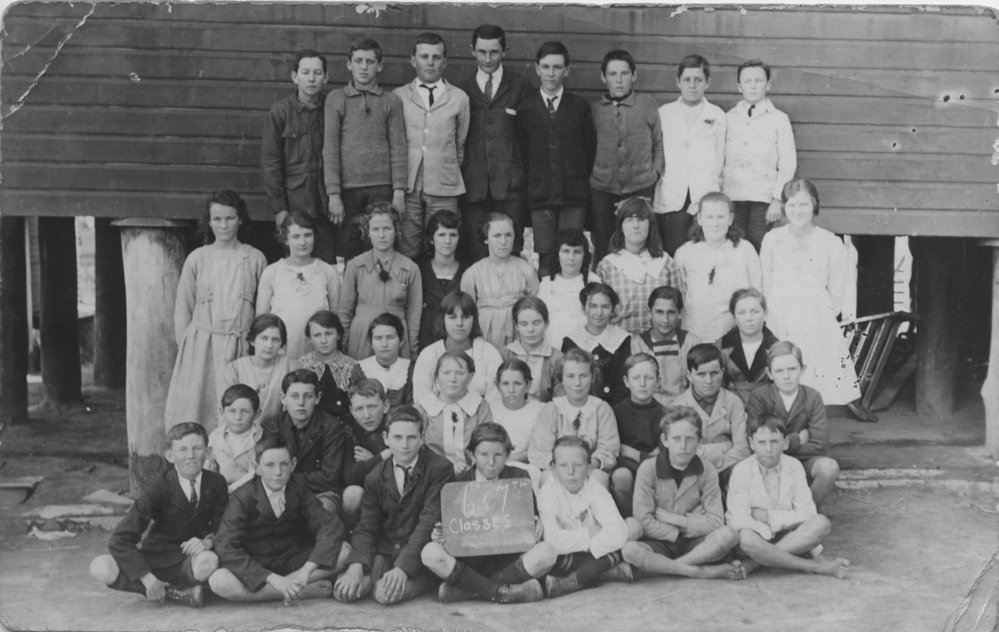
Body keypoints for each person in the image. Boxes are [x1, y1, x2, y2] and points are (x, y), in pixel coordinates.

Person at [760, 178, 871, 418]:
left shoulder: (829, 241)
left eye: (804, 205)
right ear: (784, 208)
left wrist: (822, 314)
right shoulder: (772, 239)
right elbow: (765, 282)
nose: (797, 211)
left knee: (815, 372)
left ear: (815, 205)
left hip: (815, 315)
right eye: (791, 205)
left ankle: (810, 418)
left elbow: (837, 288)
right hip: (781, 314)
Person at [90, 423, 227, 607]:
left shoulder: (217, 482)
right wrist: (147, 578)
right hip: (156, 558)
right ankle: (175, 594)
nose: (191, 456)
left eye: (198, 448)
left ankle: (186, 588)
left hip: (190, 560)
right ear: (170, 455)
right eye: (182, 450)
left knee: (209, 561)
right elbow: (120, 539)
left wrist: (207, 542)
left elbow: (224, 527)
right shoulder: (159, 486)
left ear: (208, 452)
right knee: (100, 566)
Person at [164, 190, 266, 431]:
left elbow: (263, 311)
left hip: (239, 345)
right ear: (209, 221)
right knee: (198, 409)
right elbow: (183, 308)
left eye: (230, 218)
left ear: (240, 219)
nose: (224, 225)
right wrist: (188, 348)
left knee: (237, 410)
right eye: (217, 219)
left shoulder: (254, 258)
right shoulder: (197, 258)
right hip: (202, 348)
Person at [333, 406, 455, 605]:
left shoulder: (440, 468)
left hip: (419, 553)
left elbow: (428, 522)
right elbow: (367, 526)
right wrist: (356, 566)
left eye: (411, 438)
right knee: (346, 591)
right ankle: (372, 578)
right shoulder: (375, 476)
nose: (404, 445)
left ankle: (428, 581)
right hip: (388, 549)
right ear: (386, 438)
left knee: (383, 594)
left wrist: (403, 568)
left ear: (422, 437)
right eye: (397, 438)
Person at [421, 423, 554, 603]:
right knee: (430, 552)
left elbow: (530, 521)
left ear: (507, 455)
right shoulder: (457, 484)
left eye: (498, 455)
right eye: (483, 454)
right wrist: (439, 534)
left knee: (547, 552)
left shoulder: (519, 477)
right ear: (471, 454)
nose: (491, 462)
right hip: (469, 564)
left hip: (509, 562)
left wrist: (536, 525)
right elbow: (450, 529)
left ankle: (470, 591)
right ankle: (501, 592)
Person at [209, 436, 351, 602]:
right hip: (258, 568)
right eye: (269, 465)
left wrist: (307, 570)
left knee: (345, 551)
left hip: (293, 563)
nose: (278, 472)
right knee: (218, 580)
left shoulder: (297, 487)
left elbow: (329, 525)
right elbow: (225, 546)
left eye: (284, 464)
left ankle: (291, 586)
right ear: (256, 467)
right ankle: (294, 592)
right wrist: (272, 579)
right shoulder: (242, 497)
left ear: (293, 464)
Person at [622, 406, 742, 580]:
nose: (683, 446)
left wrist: (677, 520)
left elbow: (716, 521)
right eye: (676, 439)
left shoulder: (707, 470)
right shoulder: (648, 468)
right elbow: (644, 520)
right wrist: (680, 531)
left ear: (699, 441)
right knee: (630, 550)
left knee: (729, 535)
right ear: (664, 440)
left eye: (690, 439)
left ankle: (667, 568)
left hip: (695, 543)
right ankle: (697, 571)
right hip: (659, 541)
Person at [726, 416, 850, 579]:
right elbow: (737, 520)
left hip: (787, 535)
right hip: (757, 537)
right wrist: (771, 528)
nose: (769, 449)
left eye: (775, 442)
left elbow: (808, 513)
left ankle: (755, 564)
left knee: (821, 523)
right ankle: (814, 566)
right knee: (745, 538)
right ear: (751, 444)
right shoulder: (741, 470)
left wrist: (768, 517)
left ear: (785, 443)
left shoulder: (794, 466)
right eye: (762, 443)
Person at [323, 37, 407, 263]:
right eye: (358, 61)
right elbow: (330, 149)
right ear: (349, 64)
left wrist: (399, 192)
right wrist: (334, 194)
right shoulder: (336, 99)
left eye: (370, 62)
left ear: (379, 66)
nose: (363, 67)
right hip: (348, 191)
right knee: (348, 250)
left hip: (382, 189)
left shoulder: (391, 101)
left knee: (381, 248)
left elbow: (399, 148)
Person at [516, 41, 596, 277]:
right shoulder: (526, 108)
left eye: (557, 67)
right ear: (537, 69)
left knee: (572, 255)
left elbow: (588, 151)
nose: (551, 73)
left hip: (573, 196)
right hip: (541, 198)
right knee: (546, 258)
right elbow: (522, 154)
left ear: (567, 70)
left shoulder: (579, 107)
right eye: (546, 67)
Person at [456, 24, 531, 264]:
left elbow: (529, 138)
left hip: (510, 185)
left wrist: (520, 174)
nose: (488, 59)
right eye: (482, 52)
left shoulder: (520, 86)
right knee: (477, 251)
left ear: (505, 51)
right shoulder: (461, 89)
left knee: (511, 249)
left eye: (494, 52)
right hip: (474, 185)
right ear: (472, 50)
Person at [394, 31, 470, 261]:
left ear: (444, 62)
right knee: (409, 246)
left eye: (436, 57)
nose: (430, 62)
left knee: (443, 246)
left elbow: (460, 143)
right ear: (413, 60)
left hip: (445, 186)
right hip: (409, 185)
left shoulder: (458, 98)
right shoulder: (399, 96)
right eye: (424, 56)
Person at [590, 49, 663, 265]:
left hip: (640, 186)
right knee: (604, 243)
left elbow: (658, 142)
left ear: (634, 75)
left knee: (638, 240)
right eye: (613, 74)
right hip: (603, 189)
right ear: (604, 77)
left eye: (624, 73)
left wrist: (654, 173)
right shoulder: (595, 109)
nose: (619, 80)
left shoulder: (647, 104)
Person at [746, 341, 840, 509]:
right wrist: (798, 439)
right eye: (779, 371)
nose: (786, 376)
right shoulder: (759, 397)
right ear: (769, 373)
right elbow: (758, 443)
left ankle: (806, 512)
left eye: (792, 369)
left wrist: (780, 443)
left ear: (802, 369)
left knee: (829, 467)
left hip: (803, 461)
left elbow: (819, 445)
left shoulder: (813, 396)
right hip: (769, 461)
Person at [262, 50, 332, 263]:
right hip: (295, 201)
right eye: (305, 72)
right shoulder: (280, 113)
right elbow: (271, 163)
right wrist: (280, 208)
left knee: (326, 261)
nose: (311, 78)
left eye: (317, 73)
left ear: (325, 77)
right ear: (295, 77)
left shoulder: (332, 108)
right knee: (297, 261)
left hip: (326, 201)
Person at [539, 436, 630, 598]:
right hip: (580, 555)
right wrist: (591, 532)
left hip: (576, 553)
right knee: (546, 556)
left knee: (630, 529)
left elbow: (619, 533)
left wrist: (573, 538)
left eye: (579, 465)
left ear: (589, 468)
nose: (571, 472)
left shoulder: (595, 488)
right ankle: (602, 569)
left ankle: (576, 580)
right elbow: (552, 541)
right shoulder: (548, 491)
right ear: (553, 468)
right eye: (563, 465)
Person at [654, 54, 726, 257]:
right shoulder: (664, 113)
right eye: (687, 80)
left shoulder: (717, 114)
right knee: (674, 252)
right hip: (672, 195)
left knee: (703, 253)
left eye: (698, 80)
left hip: (704, 195)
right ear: (678, 82)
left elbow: (720, 158)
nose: (692, 85)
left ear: (707, 83)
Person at [722, 59, 797, 252]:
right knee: (734, 247)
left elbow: (788, 164)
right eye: (747, 81)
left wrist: (777, 200)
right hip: (732, 196)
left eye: (759, 80)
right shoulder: (728, 118)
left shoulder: (779, 120)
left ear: (768, 84)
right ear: (739, 87)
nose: (753, 85)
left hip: (763, 199)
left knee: (758, 248)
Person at [337, 202, 422, 360]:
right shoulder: (356, 265)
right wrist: (343, 346)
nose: (381, 235)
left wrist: (413, 349)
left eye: (387, 229)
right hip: (361, 337)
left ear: (396, 231)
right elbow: (345, 311)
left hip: (396, 338)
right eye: (375, 229)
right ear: (367, 232)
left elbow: (414, 314)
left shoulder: (410, 268)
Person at [674, 192, 761, 342]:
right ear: (700, 219)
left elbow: (757, 292)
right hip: (695, 335)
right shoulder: (684, 253)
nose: (715, 223)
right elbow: (679, 297)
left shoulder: (745, 250)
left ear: (730, 219)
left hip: (735, 336)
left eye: (721, 217)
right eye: (709, 217)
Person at [528, 348, 620, 488]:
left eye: (583, 376)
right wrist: (564, 467)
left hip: (590, 469)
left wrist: (587, 465)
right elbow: (541, 450)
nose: (577, 383)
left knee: (598, 478)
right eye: (570, 376)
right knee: (547, 478)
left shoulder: (601, 409)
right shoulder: (551, 410)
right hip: (558, 469)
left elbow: (608, 450)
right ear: (561, 379)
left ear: (593, 377)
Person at [256, 213, 339, 362]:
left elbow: (335, 315)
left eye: (308, 235)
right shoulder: (272, 272)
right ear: (285, 239)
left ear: (315, 237)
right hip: (282, 352)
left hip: (318, 351)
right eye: (295, 236)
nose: (302, 242)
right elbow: (262, 320)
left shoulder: (327, 271)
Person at [261, 369, 345, 516]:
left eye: (308, 396)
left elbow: (330, 477)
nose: (301, 403)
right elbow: (269, 470)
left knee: (322, 508)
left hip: (320, 492)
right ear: (283, 398)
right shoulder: (273, 426)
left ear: (317, 398)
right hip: (281, 489)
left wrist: (288, 477)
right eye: (294, 396)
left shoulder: (331, 427)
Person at [596, 197, 679, 336]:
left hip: (660, 345)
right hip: (619, 346)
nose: (635, 225)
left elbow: (677, 311)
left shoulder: (666, 263)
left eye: (641, 219)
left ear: (650, 224)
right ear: (621, 226)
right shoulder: (607, 266)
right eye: (628, 220)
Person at [670, 343, 750, 486]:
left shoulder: (733, 402)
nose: (709, 381)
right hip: (693, 473)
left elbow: (742, 449)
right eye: (701, 374)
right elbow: (681, 454)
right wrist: (725, 446)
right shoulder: (677, 407)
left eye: (714, 373)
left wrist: (708, 460)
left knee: (741, 470)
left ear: (722, 372)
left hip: (727, 470)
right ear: (689, 375)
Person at [461, 211, 539, 350]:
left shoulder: (526, 270)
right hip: (484, 344)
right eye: (497, 235)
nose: (503, 242)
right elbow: (466, 314)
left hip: (520, 343)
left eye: (508, 235)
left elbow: (536, 310)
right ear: (486, 238)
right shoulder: (472, 274)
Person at [413, 291, 503, 401]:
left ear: (474, 319)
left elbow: (496, 399)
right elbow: (421, 398)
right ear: (443, 319)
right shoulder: (429, 355)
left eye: (466, 317)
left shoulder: (489, 353)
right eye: (452, 317)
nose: (459, 323)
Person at [417, 350, 493, 474]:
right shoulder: (424, 406)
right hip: (432, 472)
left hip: (473, 472)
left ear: (470, 376)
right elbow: (418, 445)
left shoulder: (479, 405)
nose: (452, 379)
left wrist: (472, 467)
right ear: (437, 376)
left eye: (460, 373)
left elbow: (487, 442)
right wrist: (445, 467)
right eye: (446, 373)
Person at [610, 354, 665, 515]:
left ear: (658, 382)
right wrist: (645, 457)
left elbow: (663, 456)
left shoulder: (665, 414)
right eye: (636, 378)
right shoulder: (615, 412)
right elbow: (615, 450)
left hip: (656, 472)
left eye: (648, 378)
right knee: (621, 476)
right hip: (627, 471)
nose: (642, 384)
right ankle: (629, 519)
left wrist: (633, 453)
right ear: (627, 382)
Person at [562, 282, 631, 405]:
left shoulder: (622, 340)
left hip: (615, 408)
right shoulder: (571, 341)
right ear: (584, 308)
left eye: (605, 307)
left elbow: (623, 387)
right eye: (593, 306)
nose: (599, 313)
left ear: (612, 310)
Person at [630, 286, 700, 403]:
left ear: (680, 313)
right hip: (650, 408)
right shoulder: (637, 344)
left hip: (686, 406)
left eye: (671, 312)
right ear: (650, 312)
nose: (665, 320)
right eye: (659, 312)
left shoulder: (691, 342)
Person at [221, 314, 292, 431]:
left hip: (278, 435)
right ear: (252, 341)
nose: (269, 345)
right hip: (243, 434)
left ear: (282, 344)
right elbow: (227, 410)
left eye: (275, 340)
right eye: (264, 338)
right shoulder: (235, 369)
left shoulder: (289, 367)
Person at [537, 229, 601, 348]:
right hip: (552, 348)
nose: (571, 258)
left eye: (577, 252)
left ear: (584, 255)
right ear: (557, 254)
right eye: (566, 251)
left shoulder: (594, 283)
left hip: (584, 350)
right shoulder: (546, 285)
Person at [341, 379, 392, 525]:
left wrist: (370, 461)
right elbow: (350, 477)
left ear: (386, 406)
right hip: (365, 493)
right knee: (352, 493)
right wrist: (382, 457)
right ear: (352, 411)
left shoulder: (395, 428)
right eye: (359, 409)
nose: (367, 415)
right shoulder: (350, 433)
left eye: (372, 407)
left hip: (393, 491)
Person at [717, 287, 779, 403]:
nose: (749, 318)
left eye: (755, 312)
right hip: (731, 409)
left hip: (767, 410)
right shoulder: (721, 346)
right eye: (741, 313)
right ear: (734, 316)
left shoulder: (776, 348)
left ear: (765, 314)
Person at [297, 310, 357, 422]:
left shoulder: (351, 366)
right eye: (317, 335)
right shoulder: (302, 364)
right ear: (310, 338)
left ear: (338, 335)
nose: (323, 341)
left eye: (328, 334)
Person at [419, 211, 467, 350]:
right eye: (441, 235)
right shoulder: (418, 270)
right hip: (425, 343)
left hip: (458, 346)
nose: (447, 241)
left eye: (453, 235)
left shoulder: (468, 272)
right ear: (431, 239)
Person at [501, 296, 562, 403]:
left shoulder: (557, 359)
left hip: (544, 416)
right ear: (516, 326)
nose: (531, 329)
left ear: (546, 324)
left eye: (537, 323)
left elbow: (561, 402)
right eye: (524, 324)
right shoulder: (504, 355)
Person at [207, 384, 264, 493]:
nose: (238, 417)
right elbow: (210, 466)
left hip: (249, 491)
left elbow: (253, 474)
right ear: (222, 412)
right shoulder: (216, 436)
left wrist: (229, 490)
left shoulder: (260, 438)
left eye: (245, 411)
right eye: (232, 411)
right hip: (219, 490)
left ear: (257, 414)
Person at [487, 358, 545, 464]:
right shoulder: (488, 409)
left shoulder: (540, 411)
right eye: (505, 384)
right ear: (497, 386)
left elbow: (540, 449)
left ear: (528, 386)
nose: (511, 390)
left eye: (517, 384)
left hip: (527, 466)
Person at [350, 313, 414, 407]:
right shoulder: (360, 369)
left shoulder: (410, 368)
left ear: (401, 341)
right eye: (378, 338)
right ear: (371, 343)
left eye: (390, 338)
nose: (384, 344)